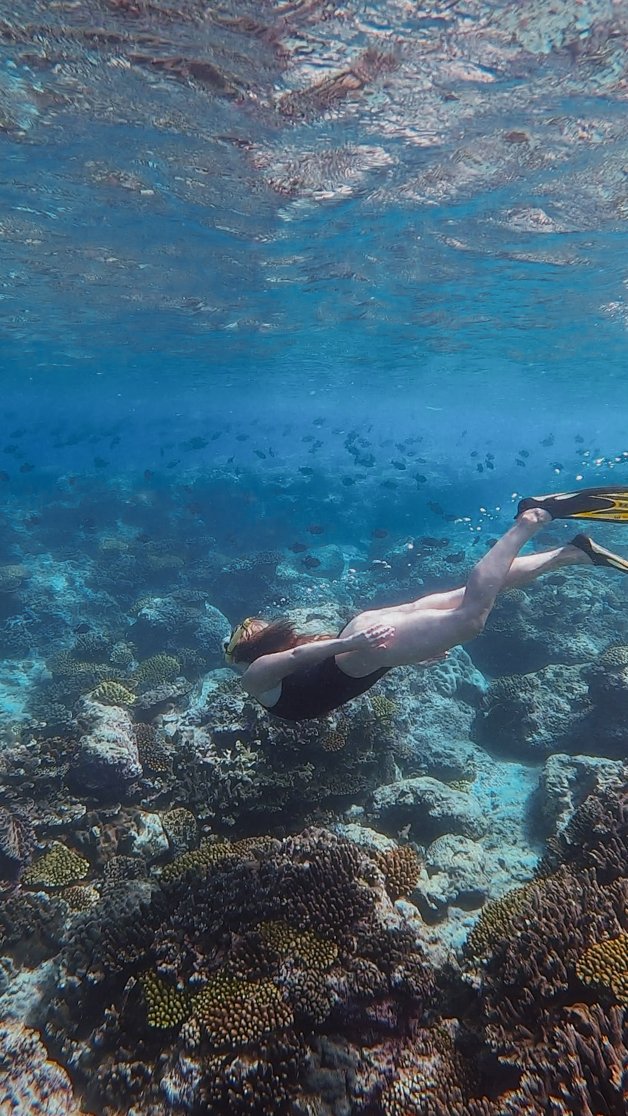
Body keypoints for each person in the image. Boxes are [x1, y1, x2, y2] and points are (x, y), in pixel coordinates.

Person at [224, 485, 628, 722]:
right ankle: (573, 553)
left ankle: (532, 520)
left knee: (469, 619)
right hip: (365, 641)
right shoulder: (272, 671)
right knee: (463, 598)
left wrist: (353, 643)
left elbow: (302, 659)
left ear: (245, 652)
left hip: (361, 647)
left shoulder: (252, 679)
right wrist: (400, 652)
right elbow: (314, 666)